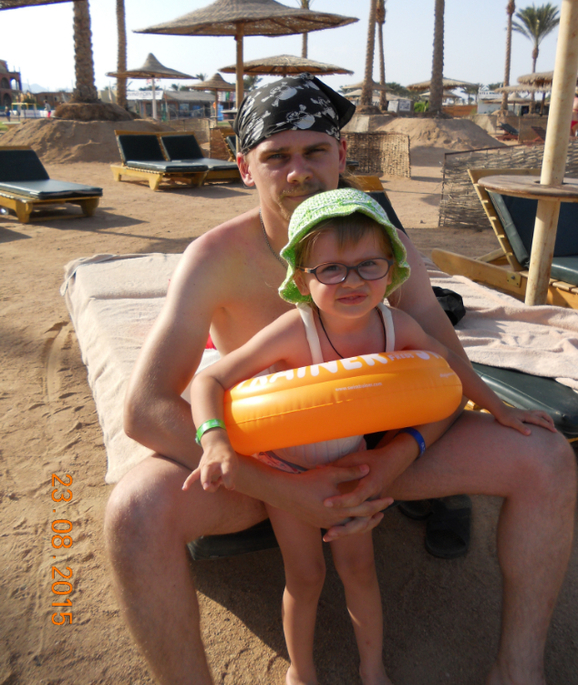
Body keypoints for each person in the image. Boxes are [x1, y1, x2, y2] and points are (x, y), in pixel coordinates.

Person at [104, 74, 576, 685]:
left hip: (374, 451)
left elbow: (443, 356)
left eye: (314, 151)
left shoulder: (386, 247)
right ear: (245, 167)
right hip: (261, 460)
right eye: (276, 156)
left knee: (547, 457)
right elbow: (144, 410)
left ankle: (518, 671)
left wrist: (397, 458)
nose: (297, 170)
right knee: (135, 511)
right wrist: (284, 488)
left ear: (341, 155)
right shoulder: (216, 259)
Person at [183, 188, 556, 685]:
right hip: (286, 469)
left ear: (392, 270)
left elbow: (450, 367)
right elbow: (209, 380)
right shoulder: (294, 331)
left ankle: (372, 669)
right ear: (302, 279)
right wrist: (214, 440)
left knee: (360, 572)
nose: (353, 281)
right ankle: (301, 672)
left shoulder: (395, 325)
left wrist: (500, 408)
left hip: (352, 463)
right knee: (306, 578)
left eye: (368, 265)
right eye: (331, 269)